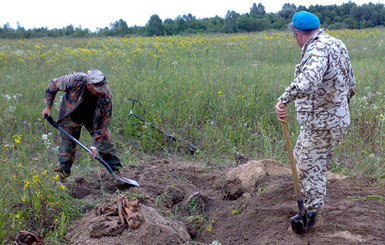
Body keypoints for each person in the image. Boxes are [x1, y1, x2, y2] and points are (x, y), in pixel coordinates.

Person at [274, 11, 356, 230]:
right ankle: (310, 206)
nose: (294, 39)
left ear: (299, 34)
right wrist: (341, 106)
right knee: (302, 158)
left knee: (311, 168)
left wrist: (284, 99)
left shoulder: (317, 50)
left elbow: (308, 82)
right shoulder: (336, 43)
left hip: (323, 124)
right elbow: (351, 81)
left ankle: (310, 215)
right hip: (325, 121)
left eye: (294, 34)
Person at [42, 69, 122, 179]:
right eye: (98, 90)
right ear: (89, 85)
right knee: (66, 148)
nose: (101, 91)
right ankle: (61, 179)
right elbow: (53, 85)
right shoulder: (75, 80)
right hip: (70, 115)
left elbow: (105, 122)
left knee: (105, 144)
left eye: (102, 88)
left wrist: (94, 145)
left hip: (93, 118)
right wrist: (48, 108)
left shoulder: (106, 95)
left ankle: (115, 173)